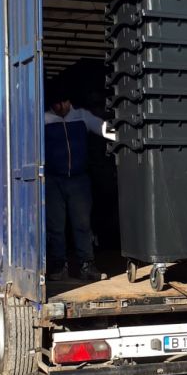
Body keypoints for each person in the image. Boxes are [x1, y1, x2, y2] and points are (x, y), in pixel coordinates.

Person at [44, 78, 114, 281]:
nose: (61, 107)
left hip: (79, 180)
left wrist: (124, 136)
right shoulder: (44, 120)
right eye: (56, 104)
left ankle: (87, 265)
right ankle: (59, 266)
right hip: (53, 180)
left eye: (64, 102)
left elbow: (104, 129)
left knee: (82, 224)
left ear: (70, 101)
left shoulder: (82, 116)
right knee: (56, 226)